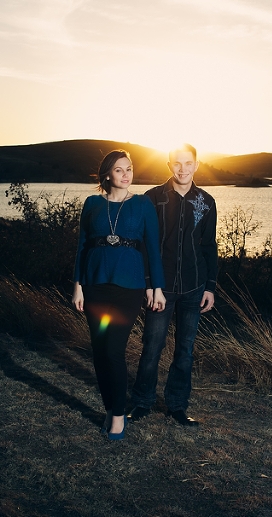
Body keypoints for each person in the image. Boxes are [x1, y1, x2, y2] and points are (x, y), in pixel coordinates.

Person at [72, 150, 166, 441]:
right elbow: (82, 246)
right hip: (95, 286)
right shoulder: (92, 204)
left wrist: (157, 287)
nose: (126, 174)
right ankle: (110, 407)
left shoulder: (142, 204)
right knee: (100, 351)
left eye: (129, 168)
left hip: (128, 288)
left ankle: (117, 416)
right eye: (119, 170)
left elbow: (152, 249)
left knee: (113, 350)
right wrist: (78, 285)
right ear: (107, 175)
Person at [128, 144, 217, 427]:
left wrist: (210, 287)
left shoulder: (206, 201)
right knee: (152, 346)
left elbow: (209, 246)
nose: (182, 169)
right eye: (177, 163)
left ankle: (177, 406)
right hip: (161, 288)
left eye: (188, 163)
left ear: (196, 165)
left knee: (185, 351)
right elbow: (142, 244)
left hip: (194, 286)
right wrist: (148, 285)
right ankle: (142, 402)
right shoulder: (152, 198)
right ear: (169, 165)